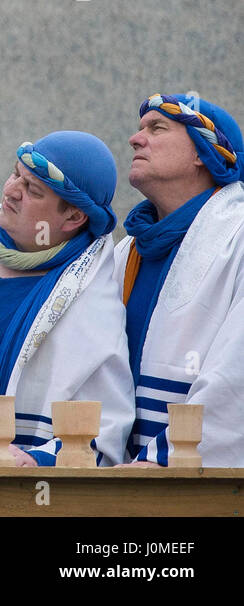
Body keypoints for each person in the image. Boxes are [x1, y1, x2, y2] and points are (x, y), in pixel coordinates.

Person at [0, 132, 134, 465]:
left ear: (73, 218)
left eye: (32, 191)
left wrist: (36, 461)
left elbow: (104, 432)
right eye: (15, 175)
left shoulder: (91, 306)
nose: (10, 191)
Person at [119, 93, 244, 466]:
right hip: (117, 475)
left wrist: (162, 460)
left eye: (157, 128)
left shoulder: (237, 238)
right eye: (140, 128)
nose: (135, 139)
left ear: (202, 154)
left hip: (193, 482)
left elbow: (236, 373)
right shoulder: (125, 251)